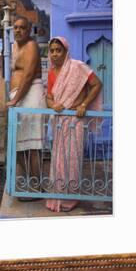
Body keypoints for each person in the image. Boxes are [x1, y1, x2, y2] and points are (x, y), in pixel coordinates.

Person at [45, 37, 103, 212]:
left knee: (72, 159)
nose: (55, 54)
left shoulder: (77, 67)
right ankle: (56, 197)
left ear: (66, 51)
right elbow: (48, 97)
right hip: (60, 121)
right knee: (57, 160)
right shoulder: (51, 73)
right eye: (52, 50)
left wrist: (84, 104)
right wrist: (53, 105)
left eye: (58, 50)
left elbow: (96, 84)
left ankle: (70, 199)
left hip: (76, 121)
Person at [5, 16, 46, 200]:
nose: (18, 30)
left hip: (29, 96)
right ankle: (32, 183)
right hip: (19, 97)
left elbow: (28, 74)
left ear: (29, 30)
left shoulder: (31, 46)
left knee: (32, 146)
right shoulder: (15, 46)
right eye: (16, 27)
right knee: (18, 146)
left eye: (22, 28)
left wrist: (16, 100)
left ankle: (37, 187)